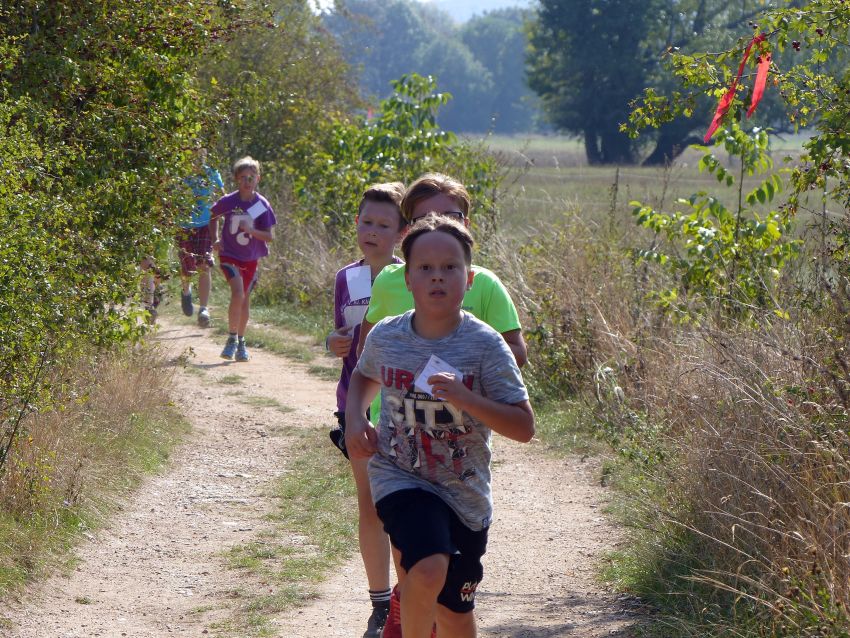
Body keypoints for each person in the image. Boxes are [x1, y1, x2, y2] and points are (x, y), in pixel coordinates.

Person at [356, 172, 528, 637]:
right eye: (426, 268)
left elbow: (524, 427)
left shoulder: (486, 344)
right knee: (426, 567)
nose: (437, 276)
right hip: (401, 473)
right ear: (406, 276)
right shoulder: (390, 333)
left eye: (449, 268)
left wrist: (467, 398)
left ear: (468, 279)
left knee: (454, 609)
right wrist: (354, 419)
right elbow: (363, 373)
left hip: (464, 488)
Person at [326, 182, 407, 638]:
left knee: (402, 509)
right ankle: (380, 606)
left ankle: (406, 601)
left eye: (383, 225)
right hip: (356, 405)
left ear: (401, 232)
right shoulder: (346, 278)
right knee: (371, 505)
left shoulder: (411, 276)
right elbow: (342, 335)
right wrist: (333, 342)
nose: (371, 231)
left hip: (403, 407)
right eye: (366, 222)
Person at [208, 156, 276, 361]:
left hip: (251, 258)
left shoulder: (260, 205)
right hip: (229, 254)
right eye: (243, 177)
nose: (247, 181)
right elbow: (213, 216)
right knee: (237, 293)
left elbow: (269, 236)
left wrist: (252, 230)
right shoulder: (229, 201)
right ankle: (231, 339)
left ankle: (241, 340)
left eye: (251, 177)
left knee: (245, 299)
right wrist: (215, 239)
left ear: (258, 179)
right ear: (236, 179)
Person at [178, 150, 225, 327]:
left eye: (199, 154)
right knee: (187, 267)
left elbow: (222, 194)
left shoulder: (211, 173)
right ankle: (186, 292)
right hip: (183, 225)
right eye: (191, 153)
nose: (196, 157)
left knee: (205, 263)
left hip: (206, 224)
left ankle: (204, 309)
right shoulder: (178, 173)